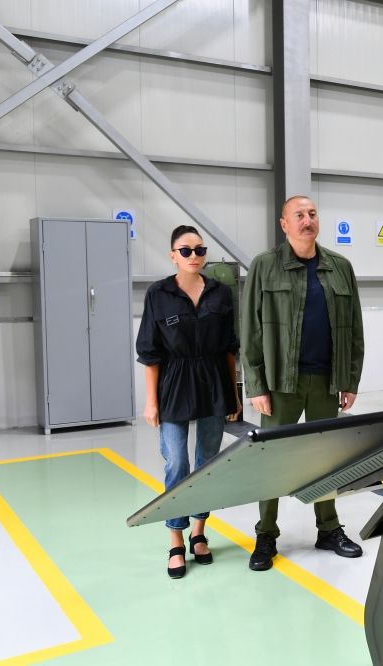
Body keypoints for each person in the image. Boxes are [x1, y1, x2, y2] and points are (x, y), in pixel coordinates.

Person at [242, 194, 365, 571]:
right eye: (299, 215)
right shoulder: (265, 266)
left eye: (312, 214)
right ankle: (266, 534)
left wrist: (351, 379)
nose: (307, 220)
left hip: (327, 380)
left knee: (327, 459)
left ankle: (328, 529)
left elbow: (355, 329)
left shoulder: (340, 267)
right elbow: (250, 329)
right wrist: (255, 385)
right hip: (281, 382)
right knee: (273, 460)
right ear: (284, 224)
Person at [136, 225, 241, 579]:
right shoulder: (159, 294)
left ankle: (199, 533)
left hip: (213, 382)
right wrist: (152, 402)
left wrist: (235, 394)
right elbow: (150, 353)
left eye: (199, 250)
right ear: (172, 255)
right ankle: (176, 539)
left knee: (206, 463)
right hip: (174, 383)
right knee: (176, 461)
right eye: (185, 250)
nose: (194, 256)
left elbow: (229, 349)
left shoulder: (220, 294)